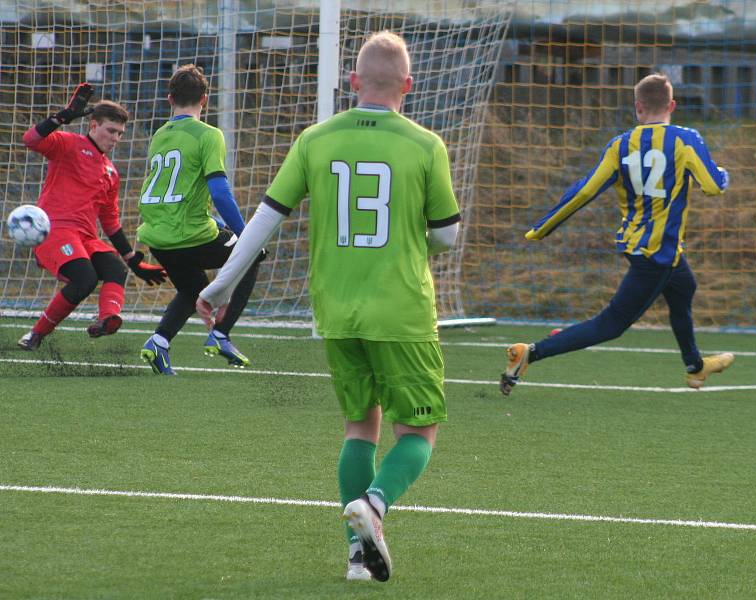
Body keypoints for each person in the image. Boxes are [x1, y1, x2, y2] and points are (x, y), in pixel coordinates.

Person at [195, 32, 461, 582]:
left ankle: (357, 558)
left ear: (353, 83)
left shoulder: (315, 139)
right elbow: (448, 237)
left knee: (360, 426)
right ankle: (377, 505)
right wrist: (410, 241)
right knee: (419, 432)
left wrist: (219, 287)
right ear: (408, 86)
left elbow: (265, 219)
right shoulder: (425, 144)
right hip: (403, 311)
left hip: (336, 311)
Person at [500, 73, 734, 395]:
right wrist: (724, 174)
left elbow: (584, 192)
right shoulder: (686, 139)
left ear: (638, 107)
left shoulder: (620, 145)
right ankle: (529, 353)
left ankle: (695, 367)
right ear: (673, 105)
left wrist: (541, 229)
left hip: (642, 245)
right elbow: (712, 186)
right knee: (611, 324)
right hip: (657, 254)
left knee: (684, 287)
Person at [18, 84, 167, 351]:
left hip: (85, 237)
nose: (116, 138)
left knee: (115, 269)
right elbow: (31, 140)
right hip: (56, 230)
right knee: (85, 278)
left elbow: (110, 222)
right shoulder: (68, 143)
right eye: (111, 130)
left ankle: (107, 319)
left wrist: (133, 260)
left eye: (120, 133)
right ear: (93, 125)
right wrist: (62, 116)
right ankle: (35, 334)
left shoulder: (111, 171)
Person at [136, 64, 261, 375]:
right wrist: (247, 235)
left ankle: (158, 343)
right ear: (205, 99)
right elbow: (219, 193)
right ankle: (220, 334)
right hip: (189, 232)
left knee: (193, 289)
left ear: (169, 99)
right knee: (252, 255)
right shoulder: (209, 135)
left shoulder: (159, 135)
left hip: (156, 235)